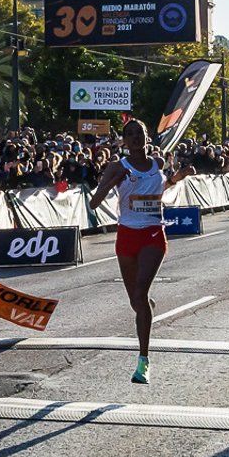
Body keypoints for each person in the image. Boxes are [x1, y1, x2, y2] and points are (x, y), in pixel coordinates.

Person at [90, 118, 194, 385]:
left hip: (152, 233)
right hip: (126, 235)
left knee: (140, 292)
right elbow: (94, 202)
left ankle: (143, 361)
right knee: (136, 303)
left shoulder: (157, 163)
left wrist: (177, 179)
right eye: (131, 134)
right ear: (124, 140)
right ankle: (146, 308)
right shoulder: (117, 166)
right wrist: (113, 179)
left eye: (140, 133)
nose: (136, 137)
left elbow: (159, 187)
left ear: (148, 138)